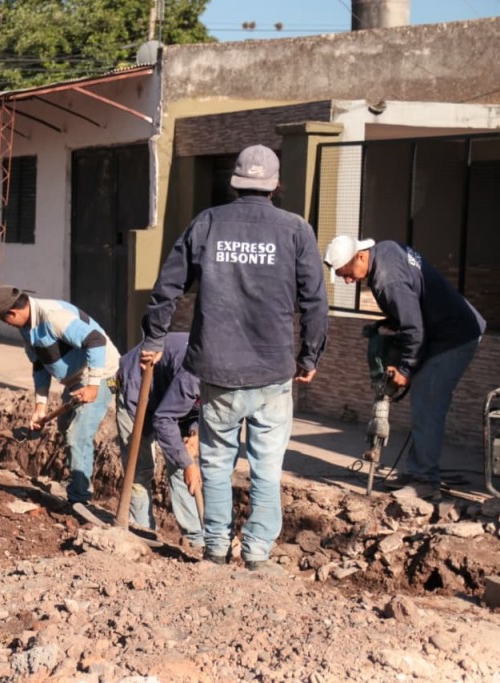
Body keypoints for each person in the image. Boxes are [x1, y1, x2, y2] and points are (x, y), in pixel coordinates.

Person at [141, 144, 328, 572]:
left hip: (218, 370)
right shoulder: (296, 230)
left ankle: (215, 547)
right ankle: (258, 553)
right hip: (272, 371)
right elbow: (316, 302)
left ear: (234, 182)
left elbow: (167, 287)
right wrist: (310, 355)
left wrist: (154, 339)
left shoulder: (207, 223)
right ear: (276, 186)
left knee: (217, 463)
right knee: (266, 465)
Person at [323, 236, 485, 501]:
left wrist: (406, 370)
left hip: (455, 335)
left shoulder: (388, 281)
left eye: (348, 274)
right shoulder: (385, 250)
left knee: (428, 402)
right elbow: (413, 304)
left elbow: (414, 328)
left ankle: (425, 480)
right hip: (446, 328)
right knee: (425, 402)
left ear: (361, 256)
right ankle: (417, 470)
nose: (348, 281)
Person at [0, 285, 120, 505]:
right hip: (75, 381)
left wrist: (93, 386)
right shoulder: (27, 328)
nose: (7, 325)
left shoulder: (54, 317)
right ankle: (76, 478)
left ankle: (80, 499)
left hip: (103, 375)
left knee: (78, 434)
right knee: (64, 427)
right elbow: (40, 367)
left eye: (5, 320)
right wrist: (40, 407)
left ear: (11, 313)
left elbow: (96, 340)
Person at [116, 333, 203, 545]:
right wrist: (187, 463)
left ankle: (196, 538)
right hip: (137, 390)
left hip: (174, 397)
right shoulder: (194, 372)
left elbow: (202, 411)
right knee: (140, 468)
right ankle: (142, 531)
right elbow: (164, 420)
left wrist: (195, 434)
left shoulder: (223, 379)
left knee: (183, 466)